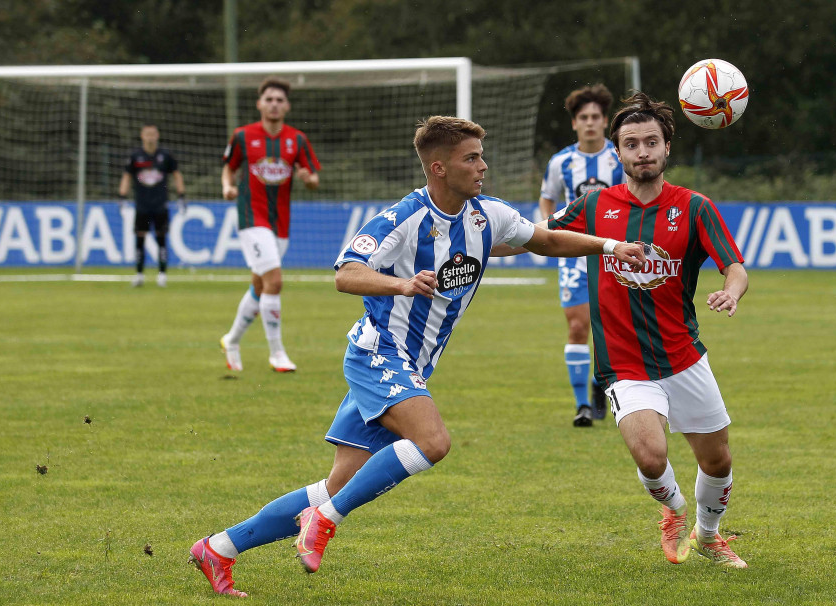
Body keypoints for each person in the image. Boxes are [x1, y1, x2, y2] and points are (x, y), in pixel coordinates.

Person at [188, 115, 646, 596]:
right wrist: (401, 283)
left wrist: (612, 246)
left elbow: (546, 239)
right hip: (378, 354)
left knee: (336, 486)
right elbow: (346, 272)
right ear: (439, 168)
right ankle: (321, 522)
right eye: (471, 158)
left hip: (412, 366)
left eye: (480, 156)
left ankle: (219, 548)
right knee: (433, 442)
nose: (483, 166)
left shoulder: (487, 215)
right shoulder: (402, 218)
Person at [545, 92, 749, 568]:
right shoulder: (594, 205)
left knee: (717, 461)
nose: (642, 152)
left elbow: (734, 266)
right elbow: (541, 235)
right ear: (617, 152)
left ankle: (709, 536)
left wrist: (731, 292)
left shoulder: (694, 207)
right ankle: (675, 510)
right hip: (624, 362)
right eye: (632, 144)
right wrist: (479, 240)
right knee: (650, 457)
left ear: (667, 148)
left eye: (651, 142)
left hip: (683, 355)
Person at [219, 76, 321, 373]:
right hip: (251, 217)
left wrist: (308, 179)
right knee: (275, 281)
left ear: (286, 106)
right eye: (269, 99)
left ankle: (232, 339)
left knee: (260, 285)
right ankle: (277, 353)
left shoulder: (297, 139)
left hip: (281, 223)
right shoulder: (242, 136)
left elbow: (313, 178)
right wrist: (227, 186)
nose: (274, 104)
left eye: (279, 100)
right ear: (259, 104)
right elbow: (229, 168)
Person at [539, 85, 626, 427]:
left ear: (605, 122)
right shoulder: (561, 163)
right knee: (577, 326)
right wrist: (545, 234)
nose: (590, 123)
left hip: (616, 254)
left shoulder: (619, 158)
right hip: (574, 255)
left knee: (617, 328)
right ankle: (582, 407)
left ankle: (597, 382)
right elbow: (547, 199)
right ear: (574, 124)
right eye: (583, 118)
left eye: (595, 117)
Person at [118, 123, 185, 288]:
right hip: (141, 205)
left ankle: (162, 275)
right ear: (142, 136)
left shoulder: (165, 156)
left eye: (153, 134)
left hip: (160, 205)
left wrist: (181, 195)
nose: (150, 137)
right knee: (139, 239)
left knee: (161, 238)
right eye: (147, 134)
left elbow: (177, 175)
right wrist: (122, 196)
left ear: (157, 136)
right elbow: (126, 176)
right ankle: (139, 274)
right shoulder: (135, 156)